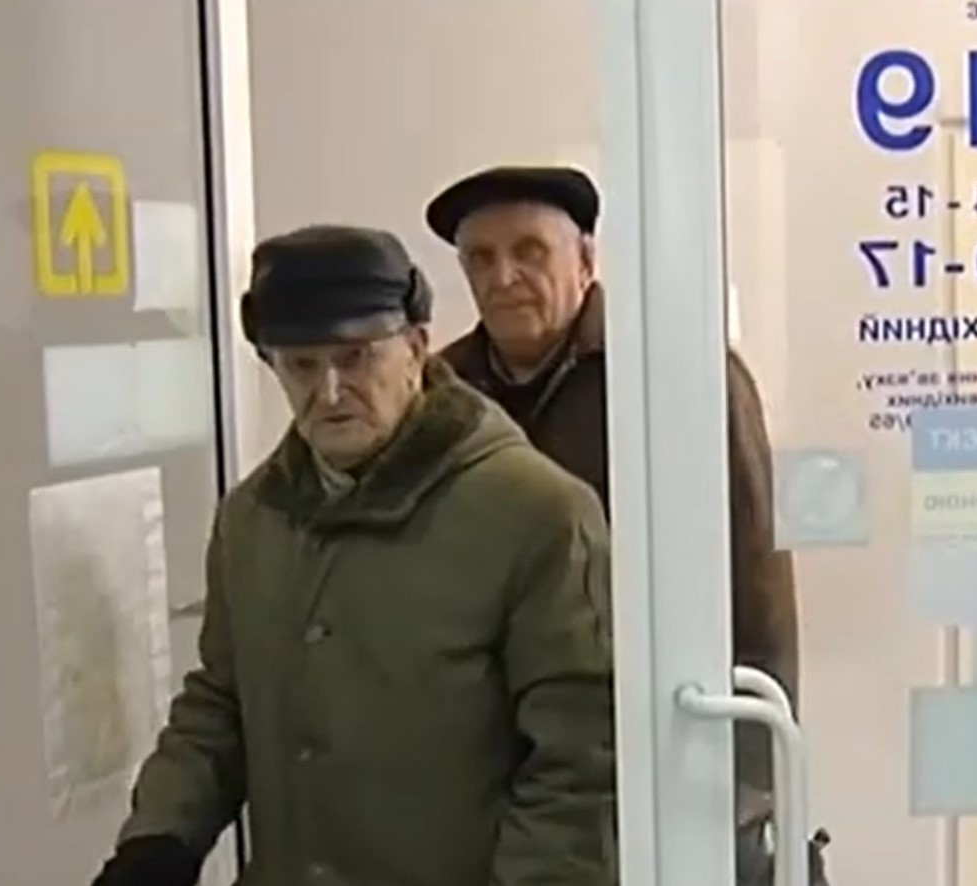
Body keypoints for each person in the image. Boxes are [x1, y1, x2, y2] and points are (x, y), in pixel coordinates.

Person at [91, 224, 617, 886]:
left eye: (357, 358)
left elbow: (580, 762)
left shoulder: (537, 515)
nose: (332, 391)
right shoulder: (253, 519)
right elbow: (221, 703)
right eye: (302, 366)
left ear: (416, 349)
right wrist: (158, 840)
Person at [426, 166, 799, 789]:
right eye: (481, 259)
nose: (503, 277)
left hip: (653, 737)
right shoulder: (440, 394)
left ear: (586, 261)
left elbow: (754, 575)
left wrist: (752, 781)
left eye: (529, 251)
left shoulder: (678, 371)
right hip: (491, 754)